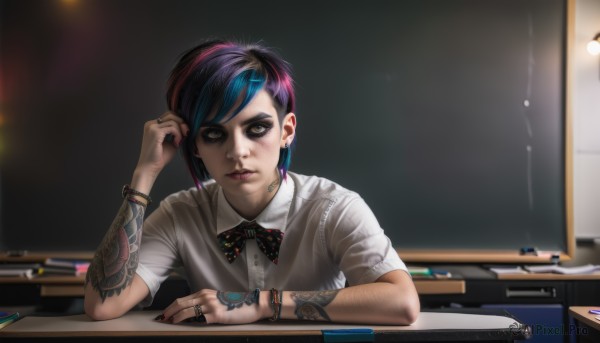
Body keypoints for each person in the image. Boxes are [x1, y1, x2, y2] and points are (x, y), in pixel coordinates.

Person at [84, 39, 420, 325]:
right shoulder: (180, 214)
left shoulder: (334, 206)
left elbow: (403, 302)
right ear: (194, 145)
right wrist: (144, 175)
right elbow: (102, 306)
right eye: (214, 134)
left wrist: (260, 303)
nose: (237, 151)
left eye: (256, 128)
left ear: (286, 131)